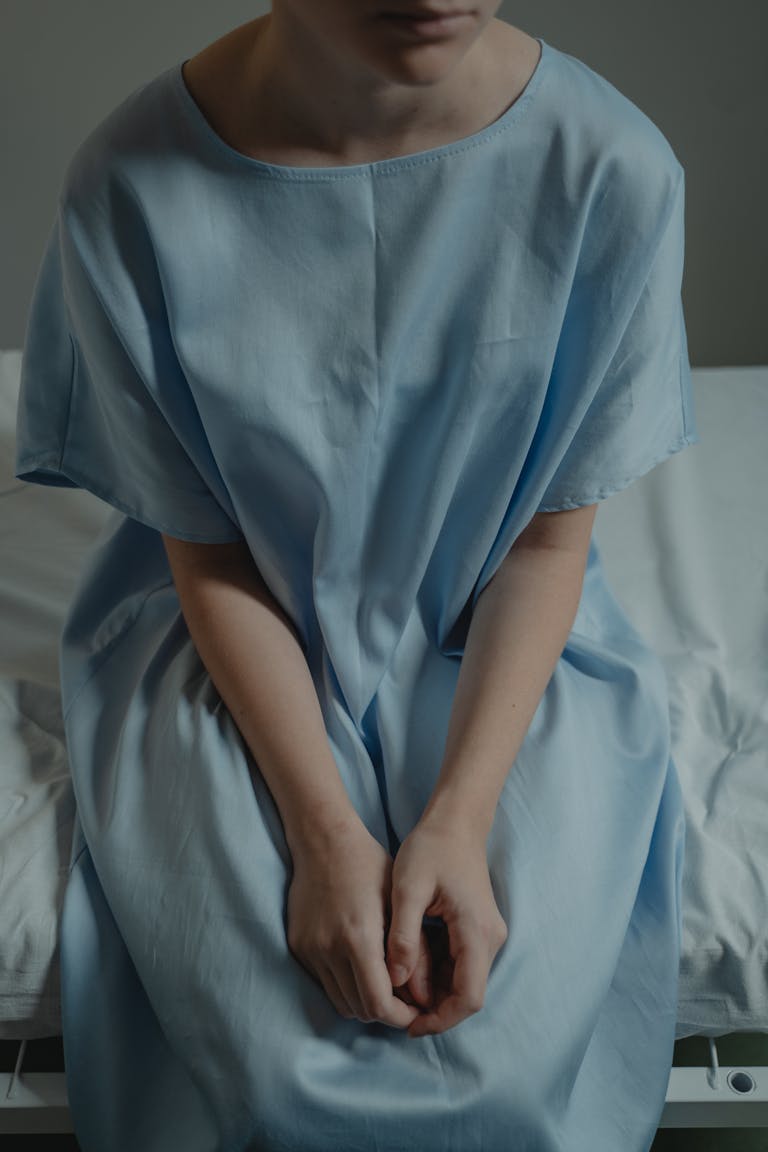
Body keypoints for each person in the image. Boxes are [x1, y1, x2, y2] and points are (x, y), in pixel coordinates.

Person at [15, 3, 699, 1150]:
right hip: (235, 639)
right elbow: (212, 554)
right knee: (287, 1068)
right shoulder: (129, 184)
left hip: (503, 638)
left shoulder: (612, 169)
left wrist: (460, 819)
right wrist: (327, 834)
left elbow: (543, 542)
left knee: (501, 1069)